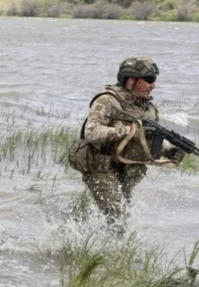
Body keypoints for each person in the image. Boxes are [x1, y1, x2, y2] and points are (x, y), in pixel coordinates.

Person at [68, 56, 185, 227]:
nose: (153, 85)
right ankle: (104, 250)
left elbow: (147, 138)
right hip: (101, 166)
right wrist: (123, 131)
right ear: (130, 80)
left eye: (154, 80)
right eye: (149, 80)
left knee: (124, 213)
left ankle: (82, 228)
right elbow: (91, 132)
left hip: (127, 168)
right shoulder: (108, 99)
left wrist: (168, 149)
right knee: (117, 217)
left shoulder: (147, 107)